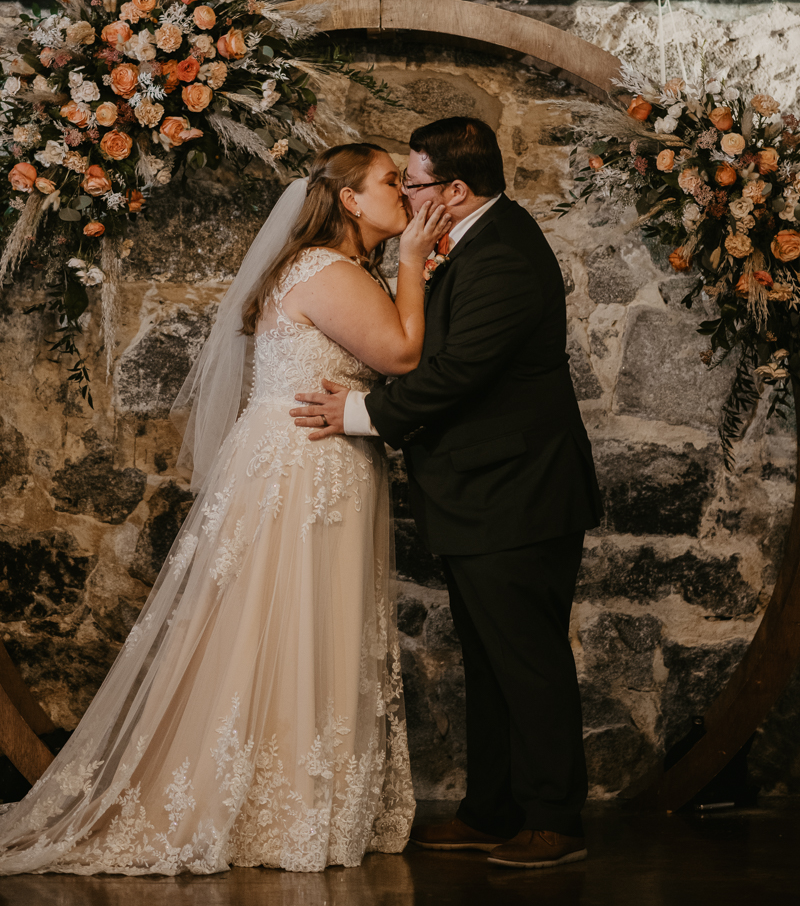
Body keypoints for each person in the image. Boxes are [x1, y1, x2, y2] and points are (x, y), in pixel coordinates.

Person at [0, 142, 450, 876]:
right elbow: (401, 355)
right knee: (291, 622)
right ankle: (278, 807)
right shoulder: (329, 271)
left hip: (311, 461)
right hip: (307, 469)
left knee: (292, 626)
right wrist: (414, 260)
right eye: (390, 182)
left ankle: (297, 798)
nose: (405, 194)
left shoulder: (326, 269)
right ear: (348, 200)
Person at [291, 116, 603, 870]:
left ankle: (554, 821)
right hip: (485, 492)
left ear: (455, 190)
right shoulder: (474, 240)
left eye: (414, 181)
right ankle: (491, 811)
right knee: (491, 661)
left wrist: (360, 415)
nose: (405, 192)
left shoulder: (503, 257)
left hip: (517, 494)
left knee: (526, 661)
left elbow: (457, 371)